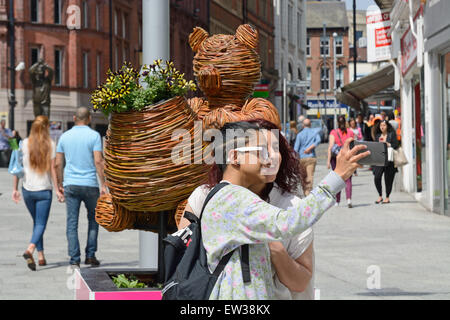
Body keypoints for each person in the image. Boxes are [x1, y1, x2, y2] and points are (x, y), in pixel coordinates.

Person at [179, 120, 368, 299]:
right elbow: (288, 222)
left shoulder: (225, 196)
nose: (268, 157)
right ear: (235, 157)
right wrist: (337, 176)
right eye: (260, 151)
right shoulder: (233, 199)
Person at [54, 107, 107, 268]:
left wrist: (60, 184)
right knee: (93, 219)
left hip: (70, 183)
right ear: (89, 118)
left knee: (72, 222)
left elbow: (57, 163)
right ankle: (90, 255)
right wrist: (103, 184)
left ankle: (74, 257)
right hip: (90, 184)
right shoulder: (94, 136)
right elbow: (98, 161)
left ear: (74, 117)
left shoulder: (65, 136)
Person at [11, 116, 63, 271]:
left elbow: (17, 168)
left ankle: (40, 256)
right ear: (46, 128)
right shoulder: (51, 144)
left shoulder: (24, 144)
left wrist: (14, 189)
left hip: (27, 190)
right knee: (40, 224)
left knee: (37, 223)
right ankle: (30, 249)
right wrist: (58, 189)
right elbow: (53, 169)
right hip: (44, 190)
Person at [327, 115, 355, 208]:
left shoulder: (333, 132)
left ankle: (337, 201)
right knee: (348, 179)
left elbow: (331, 147)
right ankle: (348, 200)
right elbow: (353, 146)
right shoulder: (350, 132)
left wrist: (328, 161)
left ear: (337, 123)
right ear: (345, 122)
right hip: (347, 157)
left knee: (337, 179)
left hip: (336, 158)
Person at [373, 120, 399, 204]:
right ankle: (380, 195)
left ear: (387, 126)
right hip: (379, 160)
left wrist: (389, 144)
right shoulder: (377, 136)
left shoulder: (391, 135)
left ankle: (387, 197)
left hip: (389, 160)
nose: (382, 127)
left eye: (384, 125)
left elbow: (396, 144)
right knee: (377, 177)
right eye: (381, 125)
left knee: (388, 179)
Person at [293, 118, 321, 196]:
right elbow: (318, 140)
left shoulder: (300, 134)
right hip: (311, 157)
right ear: (310, 124)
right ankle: (308, 192)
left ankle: (305, 192)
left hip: (302, 158)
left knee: (303, 177)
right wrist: (311, 147)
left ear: (303, 125)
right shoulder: (314, 132)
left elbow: (296, 149)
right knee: (310, 176)